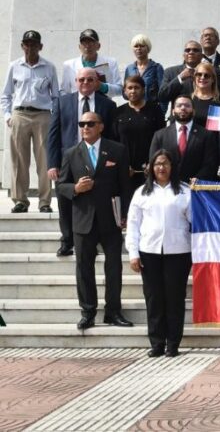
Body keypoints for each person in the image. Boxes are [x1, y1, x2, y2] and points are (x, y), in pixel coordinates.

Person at [57, 111, 132, 330]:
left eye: (90, 123)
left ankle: (113, 311)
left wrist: (126, 214)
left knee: (114, 267)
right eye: (82, 123)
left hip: (110, 218)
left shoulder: (117, 150)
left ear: (101, 126)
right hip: (83, 220)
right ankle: (88, 311)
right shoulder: (71, 153)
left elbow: (125, 186)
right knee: (84, 268)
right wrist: (76, 189)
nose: (85, 127)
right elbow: (61, 185)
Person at [126, 149, 192, 358]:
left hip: (179, 251)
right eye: (157, 164)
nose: (161, 168)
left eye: (165, 163)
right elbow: (133, 225)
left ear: (172, 167)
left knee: (174, 298)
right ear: (150, 168)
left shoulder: (184, 191)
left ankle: (173, 343)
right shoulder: (141, 193)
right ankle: (156, 343)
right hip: (149, 252)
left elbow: (196, 222)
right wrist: (133, 254)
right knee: (154, 299)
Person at [47, 68, 116, 257]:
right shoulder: (62, 102)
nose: (85, 83)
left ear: (96, 82)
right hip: (68, 161)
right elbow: (53, 135)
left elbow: (111, 135)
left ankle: (94, 241)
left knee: (93, 203)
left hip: (96, 161)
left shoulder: (107, 104)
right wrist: (52, 164)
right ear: (75, 82)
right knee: (65, 202)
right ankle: (67, 241)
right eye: (81, 79)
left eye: (89, 79)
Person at [1, 30, 58, 213]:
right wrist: (8, 116)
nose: (30, 48)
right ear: (22, 46)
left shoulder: (49, 67)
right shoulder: (14, 66)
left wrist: (54, 117)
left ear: (40, 46)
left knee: (44, 161)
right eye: (27, 44)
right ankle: (20, 200)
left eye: (34, 44)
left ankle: (45, 201)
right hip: (20, 115)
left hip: (42, 115)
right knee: (19, 160)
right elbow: (6, 95)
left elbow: (56, 96)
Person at [112, 75, 166, 198]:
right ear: (124, 91)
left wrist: (153, 163)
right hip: (126, 171)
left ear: (143, 89)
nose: (133, 91)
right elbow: (113, 142)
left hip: (151, 169)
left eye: (137, 87)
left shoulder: (155, 110)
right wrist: (123, 165)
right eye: (129, 88)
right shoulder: (118, 112)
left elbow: (161, 138)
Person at [148, 96, 219, 182]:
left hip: (195, 188)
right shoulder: (159, 135)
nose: (183, 108)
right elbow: (154, 162)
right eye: (179, 105)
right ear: (173, 111)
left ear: (193, 111)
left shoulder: (206, 135)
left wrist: (198, 179)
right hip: (168, 186)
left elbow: (210, 163)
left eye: (187, 106)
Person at [60, 29, 123, 97]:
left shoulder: (111, 62)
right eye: (84, 43)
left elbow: (119, 90)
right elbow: (64, 91)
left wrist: (102, 86)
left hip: (103, 104)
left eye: (91, 42)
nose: (87, 46)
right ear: (79, 47)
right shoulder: (69, 65)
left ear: (98, 46)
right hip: (79, 105)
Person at [158, 41, 203, 112]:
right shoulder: (170, 72)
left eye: (195, 50)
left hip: (203, 118)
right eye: (187, 50)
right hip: (179, 119)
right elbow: (162, 96)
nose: (191, 52)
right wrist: (180, 78)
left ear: (201, 56)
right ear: (184, 55)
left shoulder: (210, 73)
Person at [123, 34, 165, 111]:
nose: (139, 48)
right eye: (136, 46)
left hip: (152, 110)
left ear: (148, 48)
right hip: (133, 111)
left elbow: (163, 94)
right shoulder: (129, 69)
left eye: (142, 46)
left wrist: (161, 113)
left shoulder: (157, 68)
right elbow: (125, 93)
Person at [189, 61, 220, 128]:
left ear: (213, 79)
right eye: (199, 74)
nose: (202, 78)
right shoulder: (188, 99)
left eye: (207, 75)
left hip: (214, 138)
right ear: (194, 77)